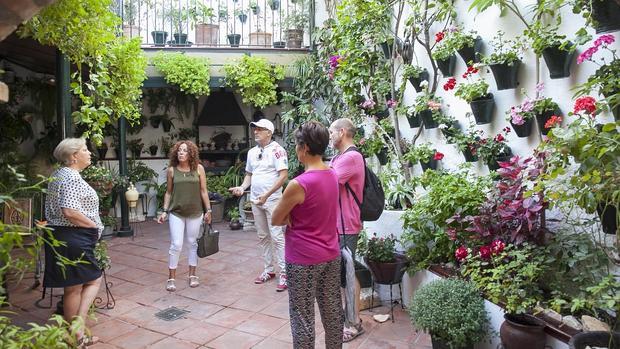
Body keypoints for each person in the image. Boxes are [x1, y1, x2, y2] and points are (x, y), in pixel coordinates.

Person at [272, 121, 344, 349]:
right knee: (333, 312)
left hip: (302, 259)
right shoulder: (333, 174)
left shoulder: (298, 184)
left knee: (302, 318)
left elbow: (275, 218)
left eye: (296, 145)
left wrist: (290, 216)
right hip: (331, 255)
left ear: (303, 148)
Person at [44, 138, 103, 347]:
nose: (89, 153)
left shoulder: (58, 174)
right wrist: (93, 227)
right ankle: (78, 328)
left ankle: (74, 337)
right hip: (73, 236)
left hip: (61, 236)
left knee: (73, 287)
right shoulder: (70, 177)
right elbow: (69, 211)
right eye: (85, 150)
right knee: (94, 279)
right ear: (73, 156)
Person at [229, 119, 288, 291]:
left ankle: (284, 273)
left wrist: (267, 195)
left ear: (269, 132)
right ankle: (269, 270)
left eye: (260, 129)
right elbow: (249, 175)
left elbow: (283, 176)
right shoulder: (252, 152)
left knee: (277, 236)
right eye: (254, 129)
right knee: (263, 236)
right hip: (256, 200)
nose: (255, 132)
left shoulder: (278, 150)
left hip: (273, 200)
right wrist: (242, 187)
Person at [329, 118, 365, 342]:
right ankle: (348, 318)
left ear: (342, 132)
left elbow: (327, 183)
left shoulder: (351, 157)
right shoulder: (338, 157)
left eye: (332, 132)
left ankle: (353, 323)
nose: (330, 136)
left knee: (348, 275)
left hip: (346, 226)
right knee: (343, 274)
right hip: (336, 225)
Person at [157, 140, 212, 292]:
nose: (181, 153)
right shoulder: (172, 171)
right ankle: (171, 278)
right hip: (176, 212)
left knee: (192, 243)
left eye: (185, 151)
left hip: (195, 212)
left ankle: (192, 275)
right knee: (176, 244)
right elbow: (168, 192)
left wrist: (209, 210)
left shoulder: (199, 169)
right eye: (179, 150)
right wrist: (164, 210)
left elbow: (203, 191)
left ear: (191, 154)